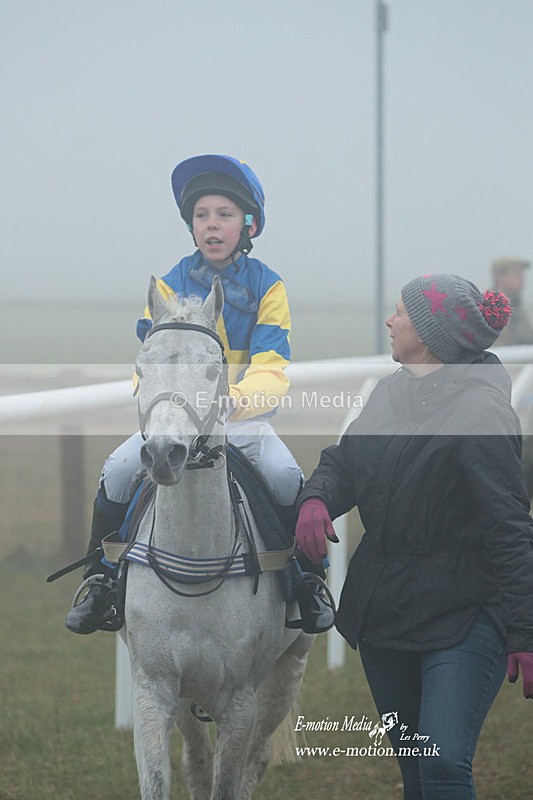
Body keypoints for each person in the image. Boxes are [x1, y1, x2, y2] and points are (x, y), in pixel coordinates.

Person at [66, 154, 333, 635]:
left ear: (247, 225)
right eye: (202, 216)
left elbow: (272, 368)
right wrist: (153, 404)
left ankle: (306, 582)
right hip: (175, 419)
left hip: (242, 419)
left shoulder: (268, 286)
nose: (212, 225)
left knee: (286, 475)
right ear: (191, 226)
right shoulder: (167, 284)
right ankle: (101, 579)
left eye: (224, 215)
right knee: (119, 469)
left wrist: (233, 400)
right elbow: (148, 363)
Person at [295, 273, 533, 800]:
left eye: (400, 312)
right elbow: (345, 464)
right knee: (417, 772)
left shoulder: (483, 413)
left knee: (444, 762)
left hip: (467, 613)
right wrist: (317, 499)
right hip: (388, 612)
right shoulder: (390, 392)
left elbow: (511, 528)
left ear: (430, 334)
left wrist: (526, 630)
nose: (390, 320)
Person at [491, 255, 533, 345]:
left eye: (522, 274)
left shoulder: (518, 308)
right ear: (499, 277)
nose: (522, 279)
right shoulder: (487, 309)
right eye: (516, 274)